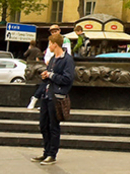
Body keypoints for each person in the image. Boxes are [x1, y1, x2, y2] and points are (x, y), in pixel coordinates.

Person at [32, 33, 73, 166]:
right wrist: (45, 77)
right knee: (43, 125)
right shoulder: (53, 59)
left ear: (55, 44)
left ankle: (52, 154)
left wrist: (51, 75)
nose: (48, 46)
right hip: (46, 95)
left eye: (49, 43)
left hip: (56, 96)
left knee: (53, 126)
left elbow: (68, 79)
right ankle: (46, 151)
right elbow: (50, 76)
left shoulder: (67, 60)